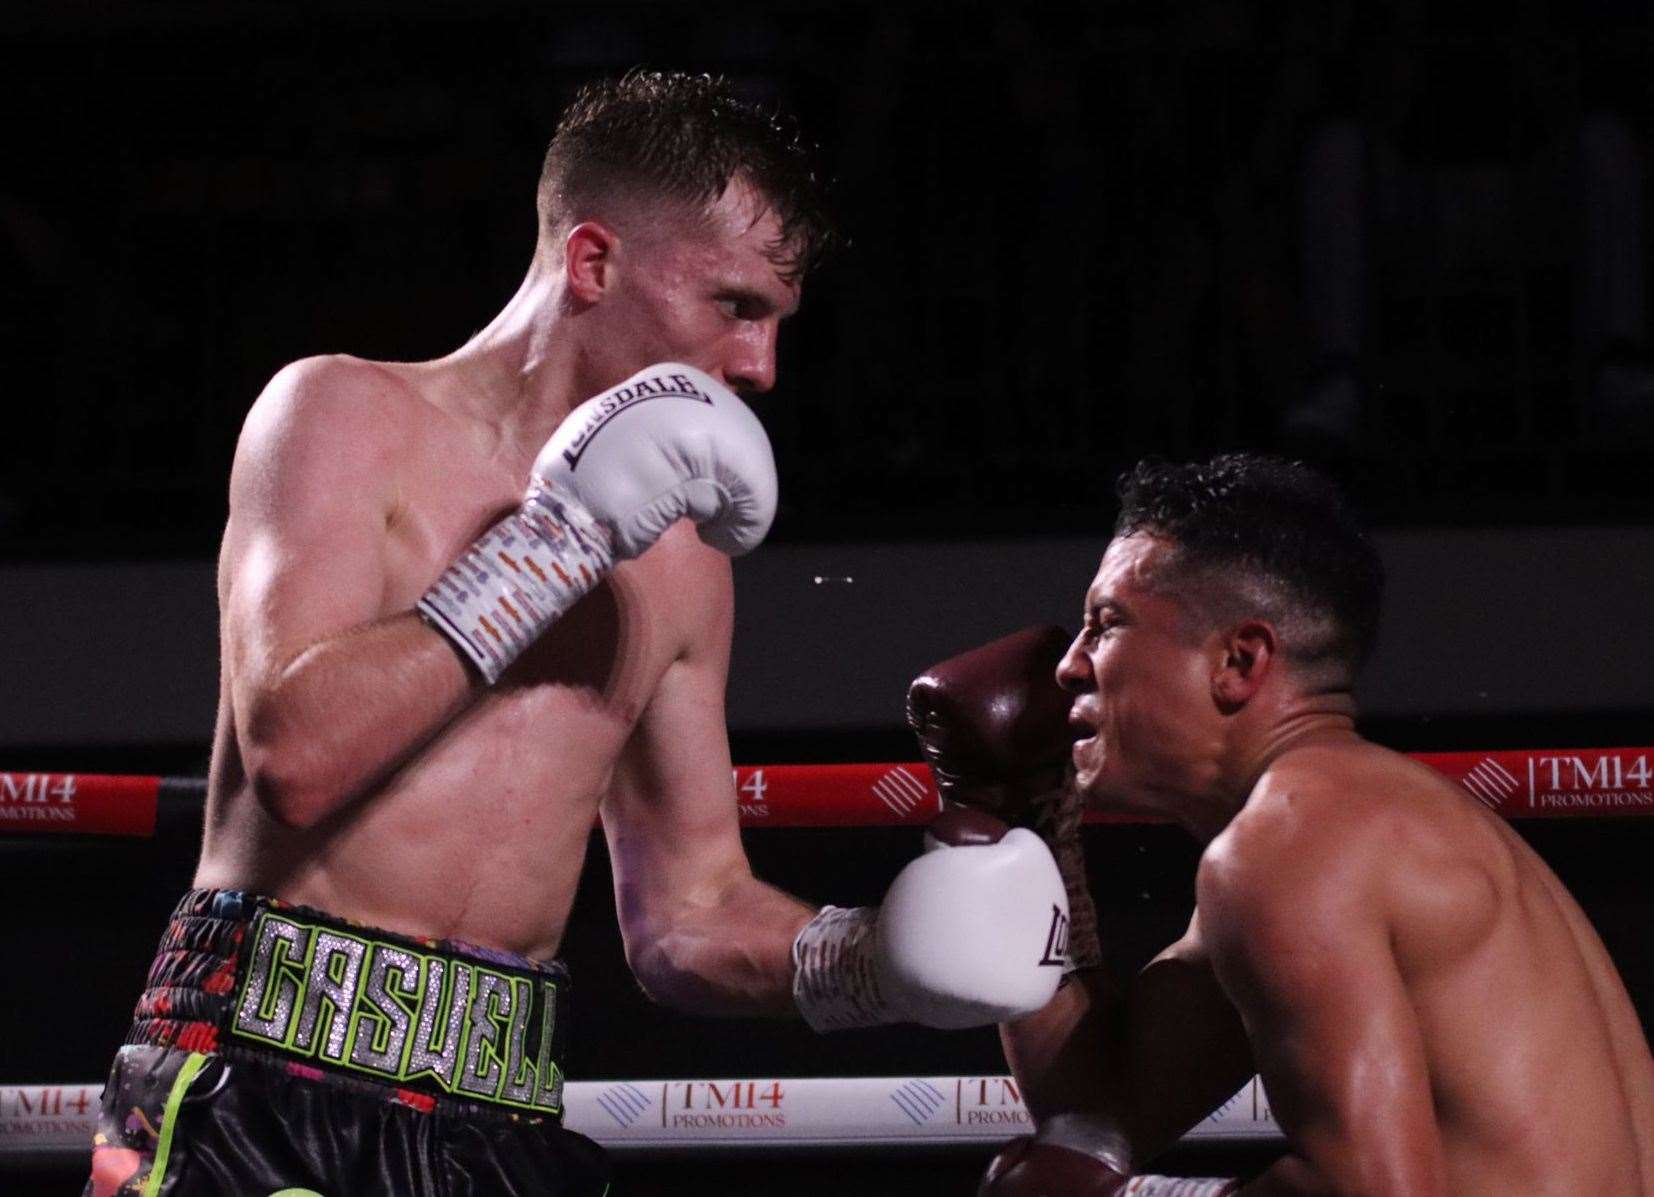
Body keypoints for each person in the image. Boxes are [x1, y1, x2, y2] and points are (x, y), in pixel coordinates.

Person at [84, 72, 1070, 1197]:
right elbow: (296, 762)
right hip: (255, 1083)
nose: (760, 369)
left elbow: (687, 913)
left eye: (778, 324)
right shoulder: (345, 416)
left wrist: (867, 964)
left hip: (499, 1116)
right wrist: (554, 550)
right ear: (593, 263)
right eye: (737, 307)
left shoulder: (684, 561)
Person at [906, 453, 1654, 1195]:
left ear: (1238, 660)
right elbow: (1099, 1116)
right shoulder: (1359, 824)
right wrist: (1032, 829)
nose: (1071, 664)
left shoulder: (1292, 843)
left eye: (1105, 624)